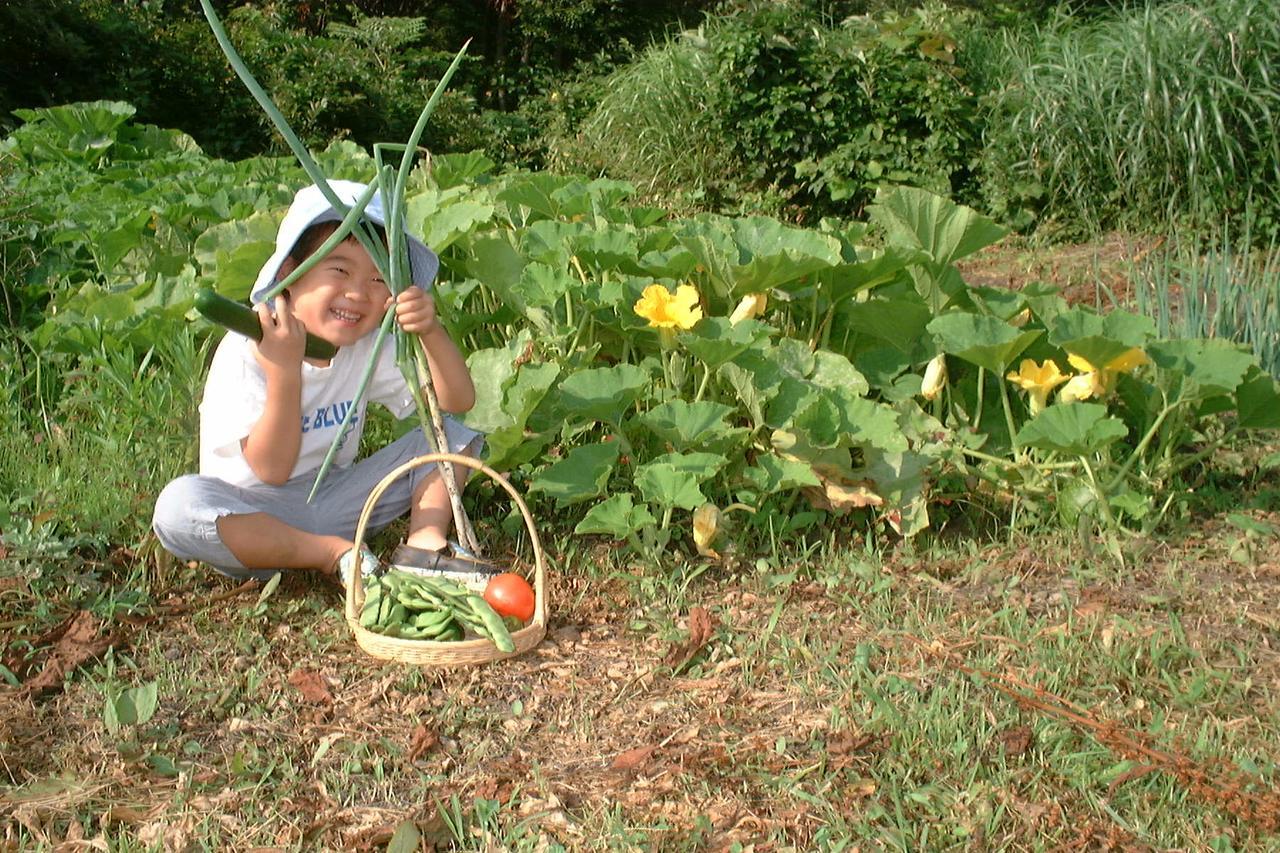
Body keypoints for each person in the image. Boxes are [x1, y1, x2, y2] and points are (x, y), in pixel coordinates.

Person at [153, 179, 495, 588]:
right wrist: (284, 371)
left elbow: (455, 402)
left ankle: (424, 544)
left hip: (331, 501)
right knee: (178, 507)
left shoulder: (366, 346)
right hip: (250, 520)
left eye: (377, 278)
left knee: (452, 437)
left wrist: (430, 332)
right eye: (339, 269)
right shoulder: (246, 349)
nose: (358, 293)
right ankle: (333, 554)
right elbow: (272, 470)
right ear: (288, 274)